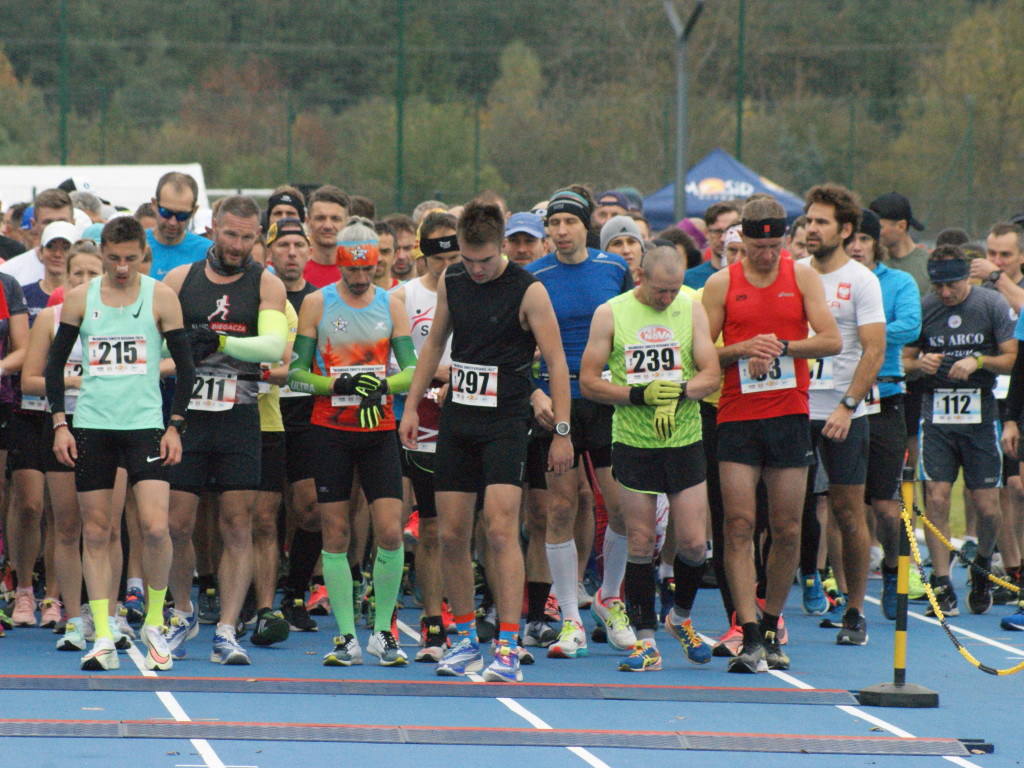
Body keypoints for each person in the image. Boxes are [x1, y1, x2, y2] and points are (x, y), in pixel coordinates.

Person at [400, 199, 574, 683]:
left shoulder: (529, 290)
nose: (475, 269)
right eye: (467, 259)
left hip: (505, 423)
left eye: (484, 260)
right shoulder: (454, 280)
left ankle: (509, 644)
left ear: (502, 247)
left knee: (499, 530)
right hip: (458, 420)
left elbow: (557, 363)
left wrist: (561, 431)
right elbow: (435, 344)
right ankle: (461, 641)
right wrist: (413, 405)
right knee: (453, 533)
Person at [45, 215, 197, 671]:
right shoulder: (81, 298)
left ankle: (154, 621)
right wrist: (59, 424)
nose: (122, 267)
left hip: (146, 426)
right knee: (96, 531)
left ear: (142, 255)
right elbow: (54, 367)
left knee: (154, 527)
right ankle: (103, 633)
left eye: (131, 259)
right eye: (113, 259)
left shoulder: (161, 297)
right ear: (103, 252)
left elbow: (187, 368)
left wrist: (176, 425)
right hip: (93, 426)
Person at [702, 197, 841, 673]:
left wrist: (783, 347)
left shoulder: (801, 277)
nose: (765, 255)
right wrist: (742, 350)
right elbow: (704, 354)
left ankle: (773, 621)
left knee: (787, 529)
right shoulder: (722, 284)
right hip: (738, 416)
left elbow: (831, 339)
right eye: (756, 246)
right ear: (741, 240)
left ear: (784, 239)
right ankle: (749, 632)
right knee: (738, 524)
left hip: (789, 414)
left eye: (773, 245)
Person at [580, 245, 721, 671]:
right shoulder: (611, 312)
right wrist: (637, 395)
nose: (667, 299)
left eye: (674, 290)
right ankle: (646, 641)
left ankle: (679, 617)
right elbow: (587, 381)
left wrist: (678, 392)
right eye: (660, 291)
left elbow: (711, 373)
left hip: (683, 437)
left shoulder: (690, 308)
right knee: (641, 540)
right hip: (634, 440)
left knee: (695, 544)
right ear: (639, 276)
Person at [162, 195, 288, 666]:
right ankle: (183, 611)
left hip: (239, 415)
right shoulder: (179, 281)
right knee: (177, 523)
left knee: (238, 523)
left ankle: (229, 629)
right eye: (230, 234)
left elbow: (273, 346)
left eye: (247, 237)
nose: (237, 245)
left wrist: (221, 341)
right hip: (188, 415)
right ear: (213, 227)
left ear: (258, 236)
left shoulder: (266, 284)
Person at [287, 219, 418, 667]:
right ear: (339, 264)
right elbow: (297, 376)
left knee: (388, 530)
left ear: (377, 265)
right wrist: (338, 383)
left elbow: (410, 370)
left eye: (368, 272)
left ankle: (384, 631)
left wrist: (379, 387)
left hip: (379, 431)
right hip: (330, 432)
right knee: (336, 531)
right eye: (352, 272)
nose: (361, 281)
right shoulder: (314, 303)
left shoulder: (392, 304)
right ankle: (345, 637)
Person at [525, 189, 633, 661]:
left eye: (570, 221)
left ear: (587, 225)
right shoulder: (533, 276)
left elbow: (631, 331)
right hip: (556, 401)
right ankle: (569, 617)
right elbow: (515, 346)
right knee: (560, 510)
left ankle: (609, 598)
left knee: (625, 509)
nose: (562, 230)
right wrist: (535, 394)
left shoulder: (613, 269)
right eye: (555, 223)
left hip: (606, 400)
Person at [903, 245, 1016, 617]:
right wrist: (920, 362)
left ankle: (982, 565)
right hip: (935, 416)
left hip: (980, 415)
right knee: (935, 497)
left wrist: (979, 360)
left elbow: (1012, 358)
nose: (945, 293)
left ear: (968, 276)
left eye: (952, 284)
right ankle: (941, 580)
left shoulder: (991, 305)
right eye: (939, 286)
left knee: (987, 508)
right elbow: (903, 360)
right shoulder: (926, 307)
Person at [800, 184, 886, 645]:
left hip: (845, 412)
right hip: (795, 409)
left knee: (848, 513)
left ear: (846, 230)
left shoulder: (862, 279)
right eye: (808, 220)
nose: (811, 229)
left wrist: (848, 405)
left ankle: (854, 609)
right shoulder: (793, 273)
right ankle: (766, 613)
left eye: (821, 222)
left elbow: (874, 350)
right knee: (783, 515)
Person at [21, 241, 105, 649]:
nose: (85, 282)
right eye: (77, 275)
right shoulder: (51, 319)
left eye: (93, 274)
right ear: (65, 278)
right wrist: (73, 381)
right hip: (63, 424)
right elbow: (30, 380)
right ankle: (71, 613)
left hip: (110, 425)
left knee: (105, 528)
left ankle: (103, 613)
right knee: (67, 525)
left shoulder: (119, 317)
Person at [389, 211, 462, 661]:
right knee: (394, 527)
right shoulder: (402, 296)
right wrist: (436, 373)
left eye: (454, 253)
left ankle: (440, 619)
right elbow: (395, 361)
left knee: (442, 528)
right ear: (423, 253)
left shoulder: (473, 294)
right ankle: (387, 611)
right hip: (411, 420)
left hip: (461, 418)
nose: (447, 262)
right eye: (438, 254)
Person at [846, 209, 921, 621]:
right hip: (841, 401)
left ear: (877, 243)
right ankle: (846, 592)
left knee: (886, 506)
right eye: (851, 239)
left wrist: (865, 330)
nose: (856, 246)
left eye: (864, 239)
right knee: (846, 503)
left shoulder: (899, 282)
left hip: (886, 397)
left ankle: (894, 570)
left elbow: (910, 326)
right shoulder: (836, 282)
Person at [265, 218, 321, 632]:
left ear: (309, 252)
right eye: (282, 244)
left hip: (306, 413)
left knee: (310, 510)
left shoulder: (320, 301)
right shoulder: (259, 296)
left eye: (298, 245)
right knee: (262, 515)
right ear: (270, 252)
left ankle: (296, 592)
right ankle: (258, 597)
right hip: (262, 411)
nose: (290, 252)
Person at [0, 189, 75, 287]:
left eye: (62, 221)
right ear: (34, 225)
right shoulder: (9, 272)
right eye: (48, 222)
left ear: (73, 223)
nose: (55, 227)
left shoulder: (87, 272)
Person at [147, 172, 210, 281]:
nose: (173, 222)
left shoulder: (208, 253)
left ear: (194, 211)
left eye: (182, 215)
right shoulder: (135, 245)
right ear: (154, 205)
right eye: (166, 212)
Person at [683, 202, 741, 290]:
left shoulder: (754, 277)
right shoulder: (689, 279)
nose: (723, 238)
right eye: (717, 231)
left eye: (730, 231)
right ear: (706, 233)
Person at [303, 186, 349, 288]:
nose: (328, 226)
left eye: (335, 219)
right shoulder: (295, 272)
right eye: (320, 218)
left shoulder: (358, 273)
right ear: (308, 222)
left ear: (347, 223)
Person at [601, 215, 645, 282]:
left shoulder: (655, 287)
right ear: (605, 252)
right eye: (617, 244)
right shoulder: (597, 287)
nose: (626, 250)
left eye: (631, 242)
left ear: (642, 249)